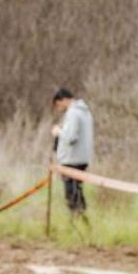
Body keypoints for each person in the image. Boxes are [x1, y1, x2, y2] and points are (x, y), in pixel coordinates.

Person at [51, 88, 95, 220]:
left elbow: (70, 137)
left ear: (64, 100)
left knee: (72, 194)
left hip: (72, 159)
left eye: (58, 105)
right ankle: (81, 219)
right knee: (78, 191)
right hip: (82, 158)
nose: (59, 108)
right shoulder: (85, 111)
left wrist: (58, 131)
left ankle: (77, 220)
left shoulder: (73, 113)